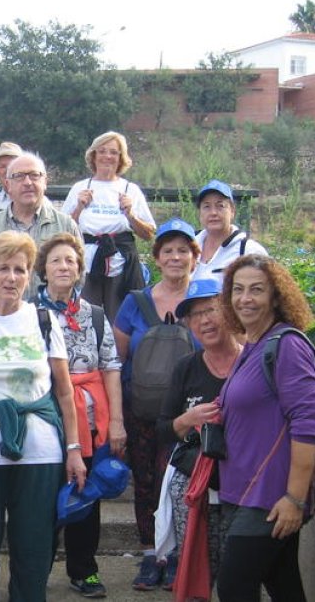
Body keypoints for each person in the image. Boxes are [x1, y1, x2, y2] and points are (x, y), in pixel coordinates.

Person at [0, 231, 87, 602]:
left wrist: (74, 448)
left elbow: (64, 390)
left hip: (40, 452)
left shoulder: (43, 321)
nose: (11, 277)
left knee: (35, 546)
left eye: (20, 270)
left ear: (29, 276)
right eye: (3, 268)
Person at [215, 255, 315, 602]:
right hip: (243, 490)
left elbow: (309, 425)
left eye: (257, 290)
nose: (245, 299)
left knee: (234, 587)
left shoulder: (287, 346)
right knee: (284, 586)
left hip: (270, 497)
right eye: (238, 290)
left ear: (276, 297)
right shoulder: (254, 345)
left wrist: (295, 498)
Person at [33, 232, 125, 599]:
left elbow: (111, 368)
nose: (64, 266)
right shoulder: (29, 313)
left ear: (80, 270)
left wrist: (116, 420)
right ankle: (36, 567)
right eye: (56, 260)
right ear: (43, 268)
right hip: (44, 423)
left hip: (89, 422)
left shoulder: (96, 315)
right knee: (41, 501)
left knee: (86, 496)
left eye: (71, 260)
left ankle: (84, 570)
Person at [112, 217, 200, 591]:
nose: (176, 257)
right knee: (146, 481)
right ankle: (151, 554)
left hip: (189, 412)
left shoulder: (205, 301)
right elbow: (115, 360)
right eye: (169, 251)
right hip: (141, 409)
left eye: (183, 250)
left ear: (195, 257)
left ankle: (179, 553)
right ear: (157, 257)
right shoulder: (135, 303)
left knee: (180, 482)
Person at [155, 277, 240, 595]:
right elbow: (163, 429)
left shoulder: (252, 362)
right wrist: (186, 420)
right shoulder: (186, 368)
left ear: (229, 312)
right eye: (195, 315)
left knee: (236, 570)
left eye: (211, 310)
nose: (205, 320)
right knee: (196, 567)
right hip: (194, 481)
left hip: (242, 482)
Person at [62, 131, 157, 323]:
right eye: (102, 151)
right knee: (85, 318)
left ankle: (120, 353)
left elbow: (149, 233)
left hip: (120, 265)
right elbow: (63, 230)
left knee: (119, 320)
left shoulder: (131, 189)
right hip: (87, 265)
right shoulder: (80, 188)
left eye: (113, 152)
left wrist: (130, 215)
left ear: (121, 158)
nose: (107, 156)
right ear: (94, 156)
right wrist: (79, 207)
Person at [0, 153, 80, 296]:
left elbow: (79, 277)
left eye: (34, 175)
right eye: (19, 176)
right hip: (4, 315)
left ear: (45, 181)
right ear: (8, 185)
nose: (28, 182)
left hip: (53, 313)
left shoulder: (66, 227)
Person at [191, 179, 269, 283]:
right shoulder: (188, 246)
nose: (213, 212)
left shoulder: (249, 251)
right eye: (206, 206)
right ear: (199, 213)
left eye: (220, 206)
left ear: (232, 211)